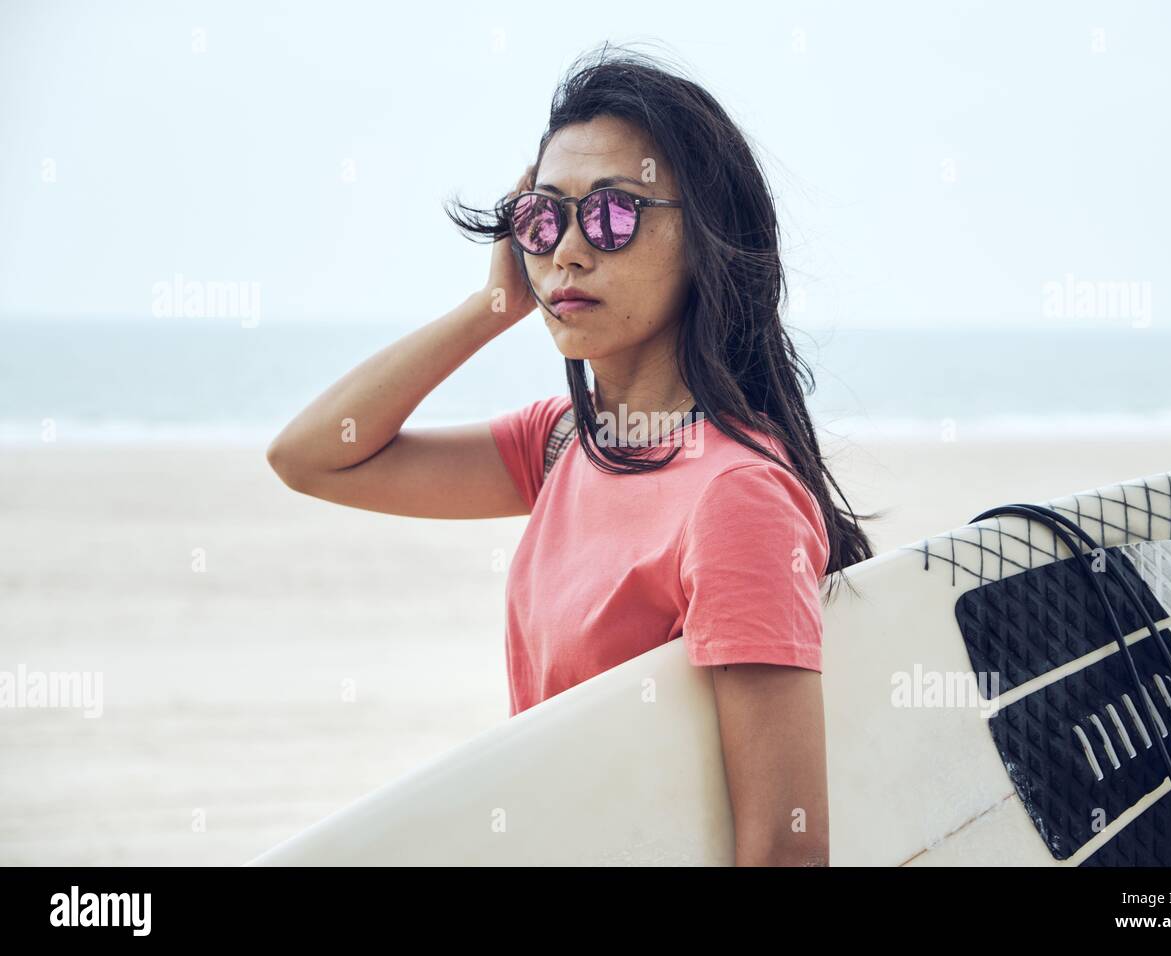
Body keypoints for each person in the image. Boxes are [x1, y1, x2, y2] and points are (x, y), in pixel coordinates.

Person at [266, 42, 878, 867]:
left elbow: (785, 849)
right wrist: (491, 306)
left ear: (703, 239)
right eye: (543, 218)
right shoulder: (565, 444)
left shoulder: (736, 497)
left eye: (616, 213)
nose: (570, 251)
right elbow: (312, 457)